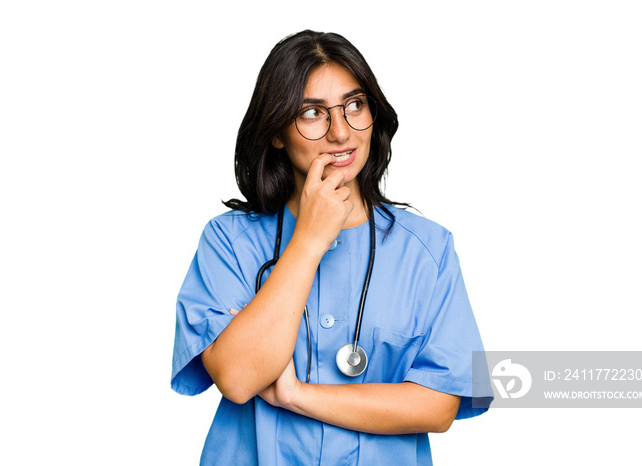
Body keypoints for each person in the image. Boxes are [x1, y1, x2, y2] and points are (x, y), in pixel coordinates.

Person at [171, 30, 493, 465]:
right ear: (277, 132)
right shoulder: (228, 243)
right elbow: (239, 377)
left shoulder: (429, 250)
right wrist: (309, 241)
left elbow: (439, 407)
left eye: (354, 105)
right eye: (312, 112)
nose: (341, 132)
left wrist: (297, 395)